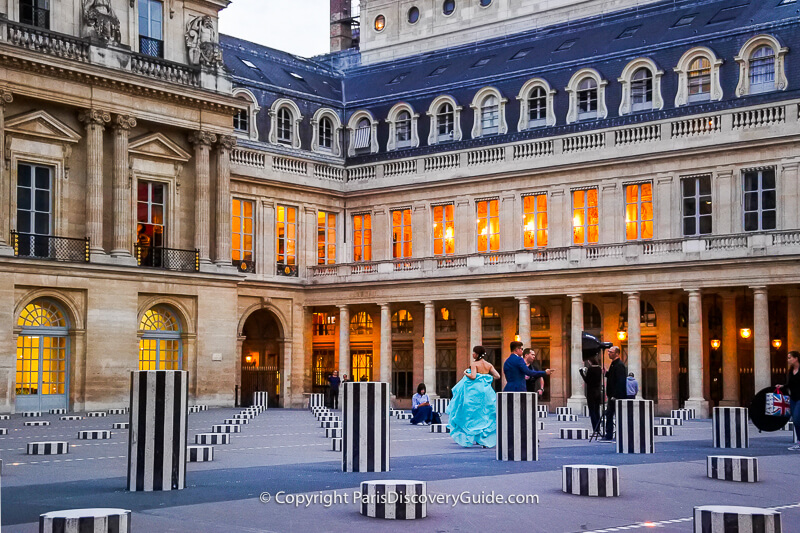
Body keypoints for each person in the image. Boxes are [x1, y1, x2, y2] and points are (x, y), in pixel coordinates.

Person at [447, 345, 500, 447]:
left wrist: (466, 373)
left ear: (477, 354)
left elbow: (473, 376)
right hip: (487, 392)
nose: (472, 354)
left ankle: (470, 436)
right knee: (485, 414)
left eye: (473, 352)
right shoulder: (488, 365)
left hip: (475, 393)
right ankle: (483, 438)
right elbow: (497, 376)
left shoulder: (474, 364)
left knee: (472, 415)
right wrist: (486, 377)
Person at [603, 346, 628, 441]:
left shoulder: (619, 365)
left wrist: (615, 395)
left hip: (616, 396)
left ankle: (611, 434)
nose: (609, 353)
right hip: (612, 395)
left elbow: (620, 381)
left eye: (611, 352)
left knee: (612, 415)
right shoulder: (614, 364)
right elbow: (613, 377)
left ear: (617, 353)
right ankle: (610, 434)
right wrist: (606, 373)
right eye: (609, 352)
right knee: (610, 414)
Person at [777, 350, 800, 450]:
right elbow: (790, 384)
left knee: (796, 419)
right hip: (793, 398)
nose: (788, 360)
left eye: (789, 357)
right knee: (796, 421)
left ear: (796, 358)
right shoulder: (791, 371)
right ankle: (799, 442)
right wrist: (782, 386)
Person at [579, 355, 603, 434]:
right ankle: (598, 428)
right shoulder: (599, 369)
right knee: (597, 411)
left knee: (592, 411)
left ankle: (595, 429)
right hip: (598, 392)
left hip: (591, 392)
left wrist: (582, 373)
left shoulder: (591, 369)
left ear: (590, 362)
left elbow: (587, 380)